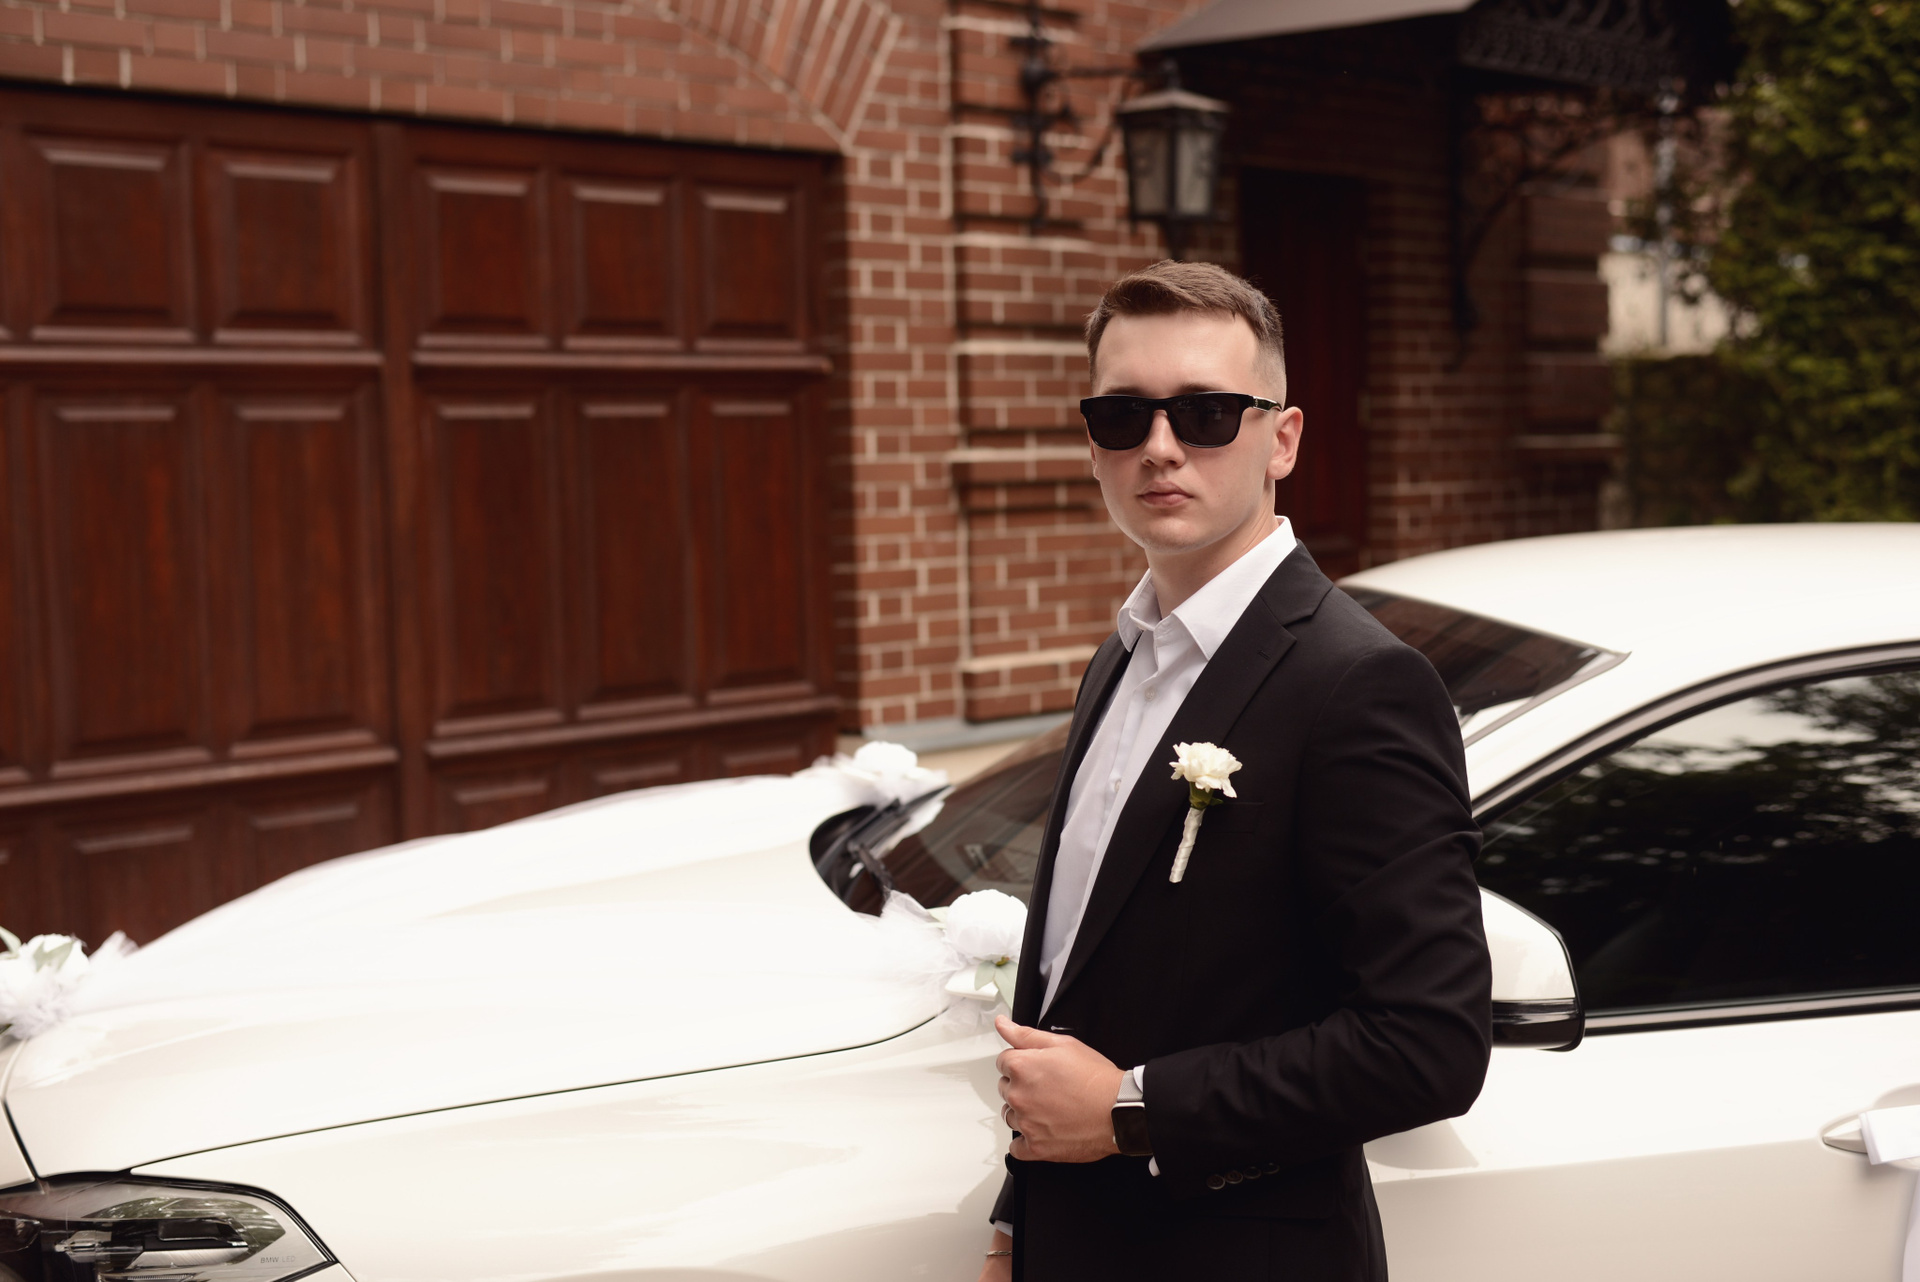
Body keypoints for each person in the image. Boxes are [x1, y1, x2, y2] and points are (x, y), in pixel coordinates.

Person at [975, 261, 1492, 1281]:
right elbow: (1079, 981)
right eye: (1123, 414)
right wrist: (1014, 1225)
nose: (1161, 447)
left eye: (1208, 413)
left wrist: (1131, 1111)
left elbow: (1427, 1042)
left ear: (1282, 440)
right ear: (1092, 441)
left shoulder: (1360, 685)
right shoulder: (1120, 655)